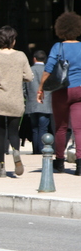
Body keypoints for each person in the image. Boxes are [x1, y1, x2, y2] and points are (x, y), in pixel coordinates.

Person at [0, 25, 33, 178]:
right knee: (14, 131)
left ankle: (1, 167)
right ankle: (16, 152)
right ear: (12, 40)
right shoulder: (21, 56)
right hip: (16, 99)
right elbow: (29, 76)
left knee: (0, 131)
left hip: (0, 99)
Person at [37, 11, 81, 175]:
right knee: (79, 129)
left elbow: (48, 70)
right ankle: (79, 165)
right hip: (80, 90)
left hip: (61, 91)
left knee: (61, 128)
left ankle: (60, 162)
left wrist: (41, 88)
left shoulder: (58, 47)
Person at [24, 50, 52, 154]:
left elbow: (24, 87)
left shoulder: (29, 70)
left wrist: (27, 97)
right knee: (43, 128)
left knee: (34, 129)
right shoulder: (49, 71)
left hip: (32, 103)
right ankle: (41, 150)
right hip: (46, 103)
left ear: (34, 59)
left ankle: (36, 150)